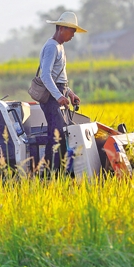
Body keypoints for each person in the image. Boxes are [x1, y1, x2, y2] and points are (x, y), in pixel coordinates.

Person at [39, 11, 87, 172]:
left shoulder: (59, 47)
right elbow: (45, 75)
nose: (73, 35)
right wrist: (59, 96)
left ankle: (61, 170)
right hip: (51, 98)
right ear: (61, 28)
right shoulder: (52, 47)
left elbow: (59, 78)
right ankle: (49, 172)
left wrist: (69, 93)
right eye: (71, 31)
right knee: (56, 134)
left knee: (61, 133)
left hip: (58, 94)